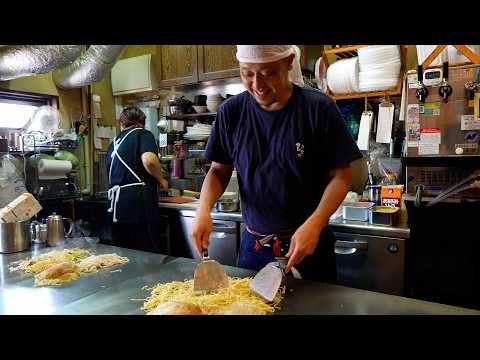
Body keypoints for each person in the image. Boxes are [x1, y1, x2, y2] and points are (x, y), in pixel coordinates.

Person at [191, 45, 363, 282]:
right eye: (247, 74)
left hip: (308, 246)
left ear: (289, 62)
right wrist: (203, 209)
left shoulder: (318, 108)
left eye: (268, 72)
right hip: (255, 249)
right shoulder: (231, 112)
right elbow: (218, 170)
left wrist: (314, 224)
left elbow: (341, 176)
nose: (257, 85)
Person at [106, 106, 168, 253]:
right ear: (142, 123)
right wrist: (161, 180)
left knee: (124, 255)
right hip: (138, 205)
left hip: (115, 208)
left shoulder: (113, 143)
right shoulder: (143, 134)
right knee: (146, 255)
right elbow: (149, 161)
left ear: (121, 124)